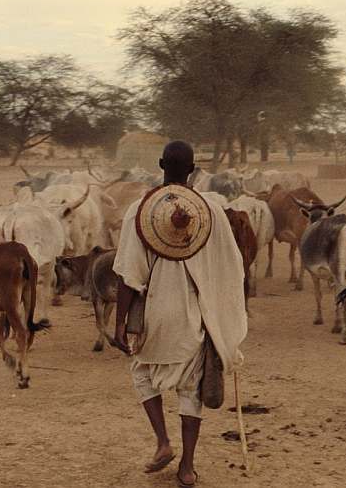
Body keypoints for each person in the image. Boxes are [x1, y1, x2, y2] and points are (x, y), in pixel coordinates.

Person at [113, 141, 247, 486]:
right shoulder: (212, 211)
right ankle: (187, 467)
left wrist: (119, 324)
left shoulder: (140, 210)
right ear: (193, 169)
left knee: (143, 374)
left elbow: (129, 275)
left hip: (157, 312)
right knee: (191, 391)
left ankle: (162, 442)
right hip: (195, 316)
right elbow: (232, 268)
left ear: (160, 164)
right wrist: (222, 315)